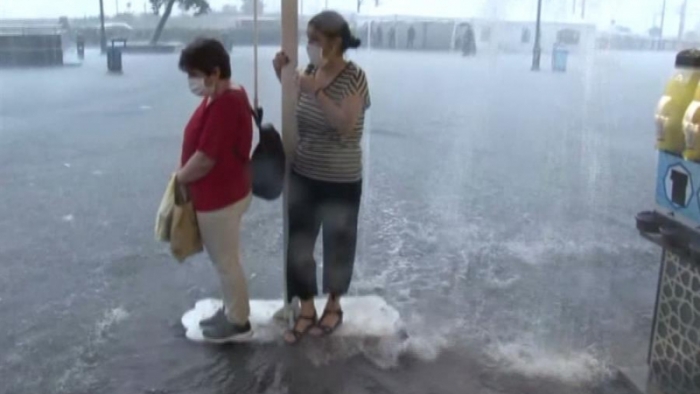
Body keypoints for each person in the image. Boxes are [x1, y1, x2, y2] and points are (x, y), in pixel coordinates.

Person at [272, 10, 371, 344]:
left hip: (341, 179)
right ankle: (306, 309)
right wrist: (283, 77)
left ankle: (334, 306)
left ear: (336, 42)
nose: (310, 45)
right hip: (304, 174)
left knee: (338, 245)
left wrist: (317, 91)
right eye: (308, 38)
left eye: (316, 39)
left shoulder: (355, 77)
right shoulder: (310, 72)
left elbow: (345, 125)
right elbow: (299, 107)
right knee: (299, 245)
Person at [176, 38, 254, 343]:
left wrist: (179, 179)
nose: (191, 82)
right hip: (226, 191)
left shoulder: (226, 103)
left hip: (220, 197)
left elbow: (206, 158)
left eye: (194, 74)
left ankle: (238, 321)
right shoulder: (225, 93)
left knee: (225, 261)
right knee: (228, 258)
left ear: (215, 72)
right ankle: (233, 309)